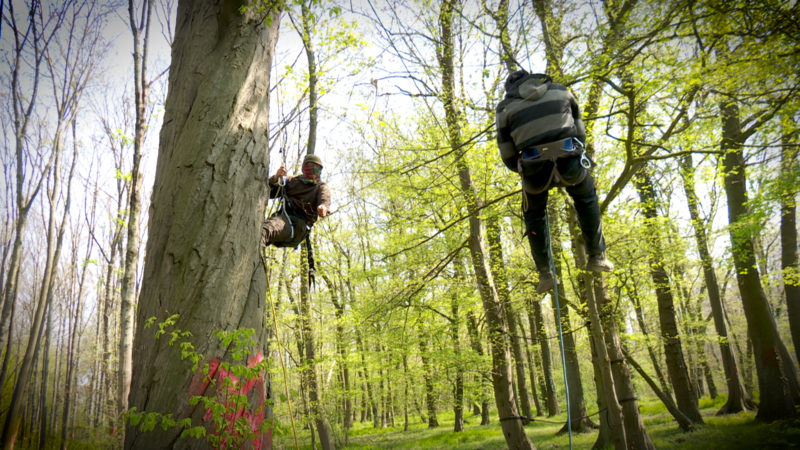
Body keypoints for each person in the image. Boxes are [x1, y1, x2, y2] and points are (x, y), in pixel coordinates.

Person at [496, 70, 613, 294]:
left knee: (534, 215)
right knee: (586, 199)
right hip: (569, 158)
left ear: (510, 89)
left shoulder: (504, 108)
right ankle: (597, 256)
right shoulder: (561, 92)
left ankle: (545, 274)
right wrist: (574, 150)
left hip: (533, 166)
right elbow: (579, 132)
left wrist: (520, 168)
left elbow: (507, 151)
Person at [262, 154, 330, 248]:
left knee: (265, 230)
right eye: (310, 167)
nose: (313, 171)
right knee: (258, 232)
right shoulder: (292, 181)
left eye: (317, 169)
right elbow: (268, 193)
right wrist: (275, 178)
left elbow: (324, 199)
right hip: (282, 220)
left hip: (298, 226)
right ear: (303, 168)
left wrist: (323, 207)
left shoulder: (320, 187)